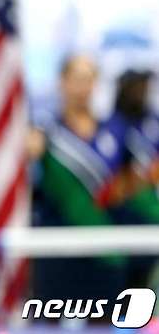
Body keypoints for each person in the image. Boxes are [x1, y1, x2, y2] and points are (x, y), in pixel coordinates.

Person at [31, 55, 128, 321]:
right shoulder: (45, 131)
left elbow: (132, 184)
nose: (82, 87)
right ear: (62, 83)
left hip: (105, 250)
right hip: (56, 250)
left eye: (88, 79)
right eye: (76, 79)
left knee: (106, 323)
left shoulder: (116, 129)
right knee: (48, 323)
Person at [108, 69, 159, 289]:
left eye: (145, 87)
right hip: (124, 219)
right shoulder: (111, 126)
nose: (142, 92)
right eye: (136, 87)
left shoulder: (153, 122)